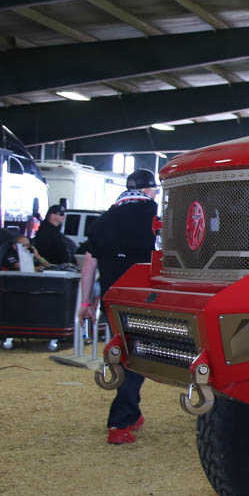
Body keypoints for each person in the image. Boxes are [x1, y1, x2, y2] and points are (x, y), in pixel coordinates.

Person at [79, 169, 159, 445]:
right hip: (146, 301)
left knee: (127, 354)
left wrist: (86, 303)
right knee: (136, 359)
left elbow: (89, 265)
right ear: (149, 191)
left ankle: (131, 413)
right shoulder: (156, 219)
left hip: (112, 302)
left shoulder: (104, 220)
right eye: (155, 191)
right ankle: (120, 421)